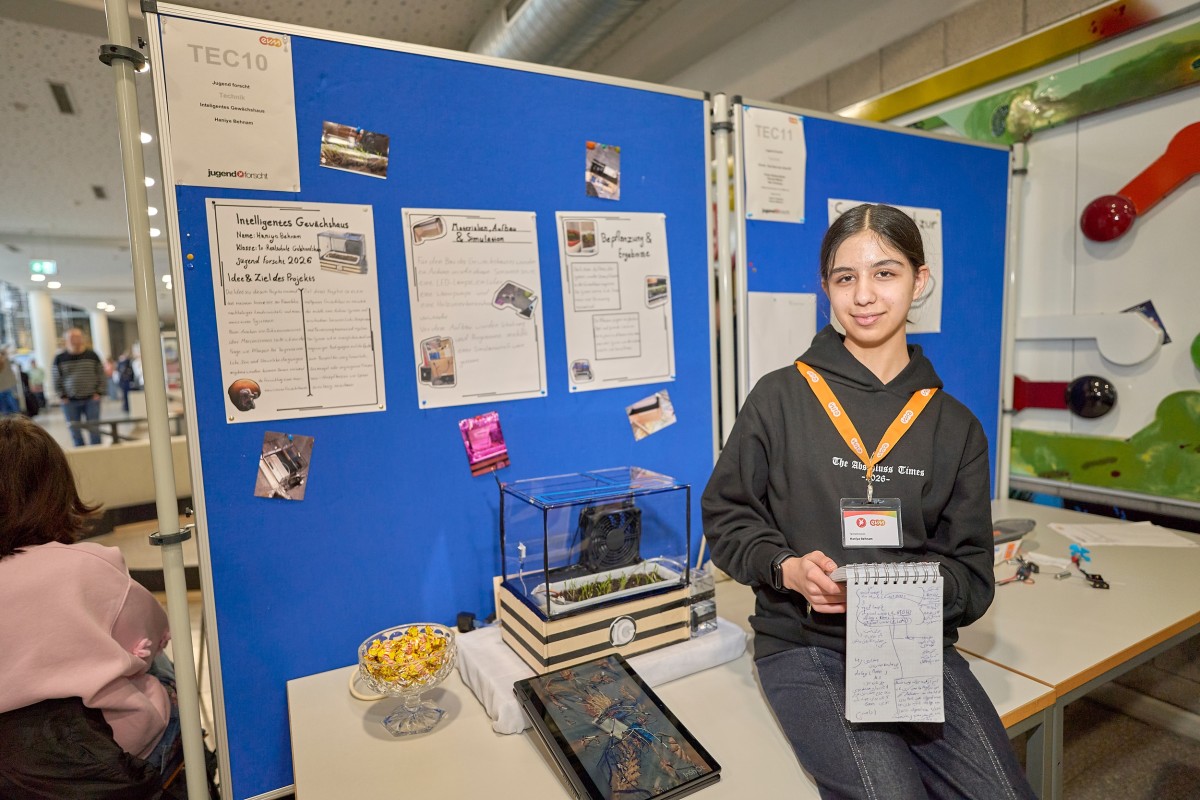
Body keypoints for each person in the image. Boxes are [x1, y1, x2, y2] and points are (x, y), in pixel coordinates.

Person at [702, 204, 1034, 799]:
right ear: (825, 286)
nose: (864, 296)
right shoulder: (780, 397)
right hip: (806, 645)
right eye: (844, 277)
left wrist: (907, 591)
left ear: (919, 281)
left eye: (886, 273)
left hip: (915, 645)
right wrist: (788, 569)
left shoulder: (954, 426)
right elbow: (727, 517)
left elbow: (972, 576)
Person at [0, 415, 182, 796]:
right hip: (107, 757)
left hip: (12, 773)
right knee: (162, 669)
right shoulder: (91, 565)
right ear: (55, 488)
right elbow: (154, 632)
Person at [52, 328, 106, 446]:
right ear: (66, 340)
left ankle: (98, 454)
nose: (75, 340)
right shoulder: (59, 358)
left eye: (77, 337)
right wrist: (62, 396)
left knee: (94, 429)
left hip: (91, 399)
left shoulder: (92, 355)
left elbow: (101, 374)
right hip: (70, 401)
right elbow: (56, 378)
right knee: (75, 431)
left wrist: (99, 392)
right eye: (71, 337)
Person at [0, 349, 19, 414]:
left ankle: (7, 418)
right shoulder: (6, 361)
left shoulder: (5, 361)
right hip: (9, 386)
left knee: (4, 405)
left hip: (2, 388)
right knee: (13, 404)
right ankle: (16, 417)